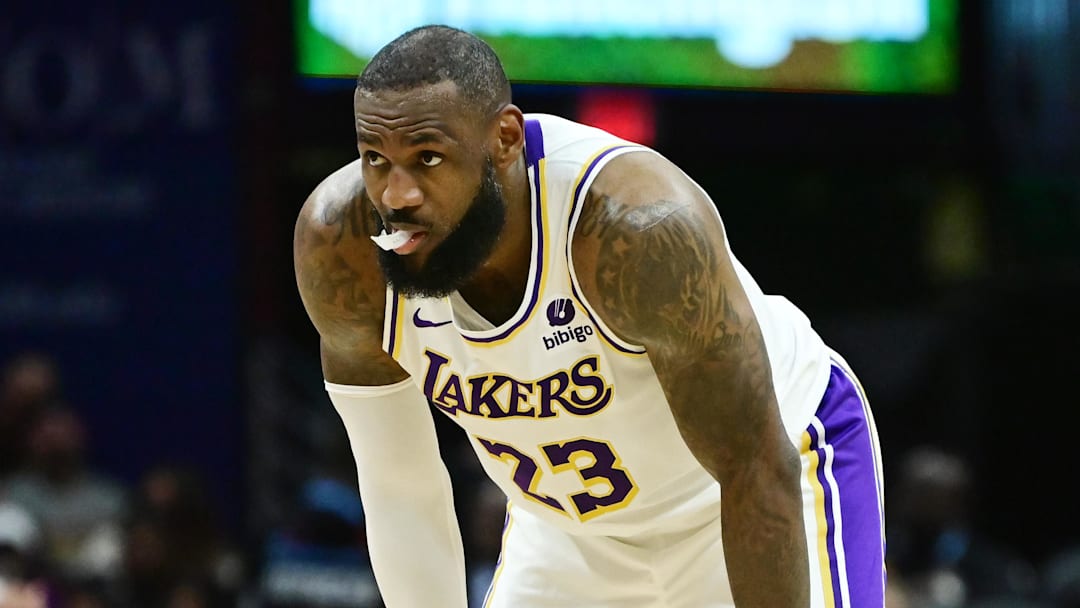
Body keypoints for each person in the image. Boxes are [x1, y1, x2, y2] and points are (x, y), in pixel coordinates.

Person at [293, 24, 885, 608]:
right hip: (568, 539)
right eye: (375, 159)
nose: (397, 195)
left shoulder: (636, 231)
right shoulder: (343, 250)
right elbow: (399, 487)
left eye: (427, 158)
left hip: (754, 485)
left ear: (504, 138)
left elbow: (753, 466)